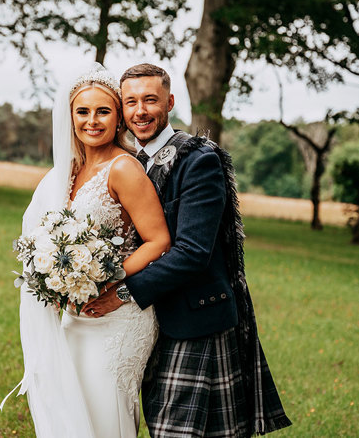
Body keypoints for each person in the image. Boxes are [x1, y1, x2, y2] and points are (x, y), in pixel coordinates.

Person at [83, 63, 292, 437]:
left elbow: (192, 252)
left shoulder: (198, 160)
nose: (140, 111)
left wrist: (123, 293)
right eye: (130, 102)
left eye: (150, 100)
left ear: (170, 102)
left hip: (195, 317)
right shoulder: (127, 162)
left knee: (175, 431)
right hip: (149, 323)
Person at [10, 63, 170, 438]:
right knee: (73, 411)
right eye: (83, 111)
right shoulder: (66, 171)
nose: (92, 121)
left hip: (121, 316)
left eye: (103, 111)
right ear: (70, 117)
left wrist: (109, 280)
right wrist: (57, 281)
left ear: (118, 119)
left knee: (103, 412)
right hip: (76, 314)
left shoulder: (124, 168)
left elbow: (159, 240)